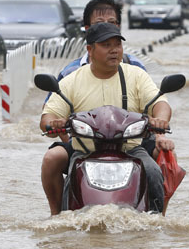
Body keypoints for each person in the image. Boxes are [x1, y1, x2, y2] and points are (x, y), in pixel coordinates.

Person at [40, 22, 174, 215]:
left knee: (154, 172)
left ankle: (158, 219)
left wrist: (160, 119)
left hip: (131, 150)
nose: (114, 50)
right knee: (52, 160)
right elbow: (48, 115)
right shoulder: (72, 79)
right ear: (90, 50)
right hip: (85, 151)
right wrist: (53, 123)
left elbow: (160, 103)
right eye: (106, 45)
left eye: (117, 45)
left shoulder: (136, 76)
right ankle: (58, 215)